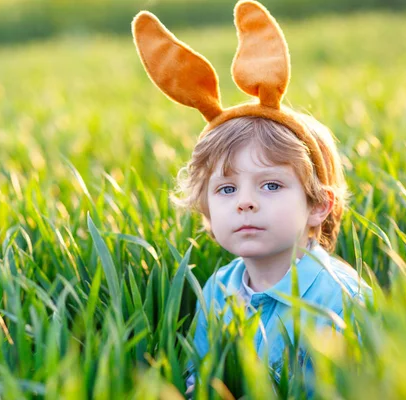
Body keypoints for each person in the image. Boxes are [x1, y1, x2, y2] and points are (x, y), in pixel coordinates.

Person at [131, 0, 373, 395]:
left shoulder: (341, 297)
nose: (245, 202)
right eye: (226, 189)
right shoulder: (218, 290)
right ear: (207, 214)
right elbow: (202, 377)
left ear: (318, 206)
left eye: (271, 185)